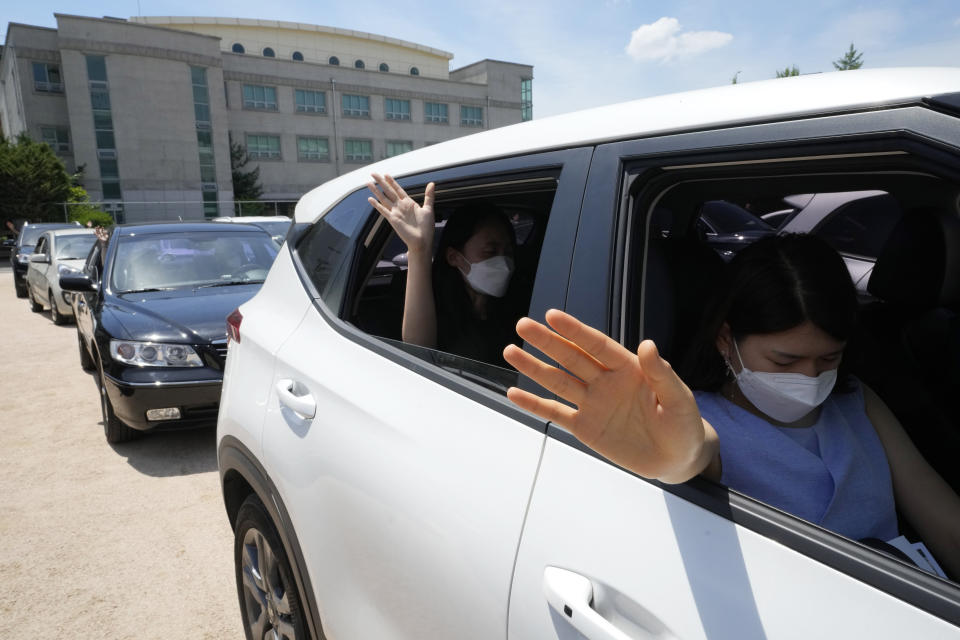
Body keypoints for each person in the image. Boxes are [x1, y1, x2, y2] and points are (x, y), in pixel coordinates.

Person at [503, 234, 960, 579]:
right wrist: (676, 455)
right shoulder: (693, 417)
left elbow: (943, 519)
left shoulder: (856, 398)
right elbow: (692, 449)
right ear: (727, 340)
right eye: (784, 360)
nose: (810, 376)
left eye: (829, 358)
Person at [367, 173, 523, 365]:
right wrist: (419, 250)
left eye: (508, 251)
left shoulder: (518, 306)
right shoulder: (435, 305)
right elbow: (420, 352)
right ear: (454, 257)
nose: (503, 261)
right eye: (490, 251)